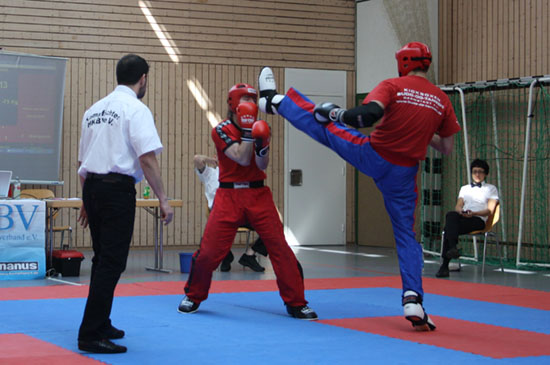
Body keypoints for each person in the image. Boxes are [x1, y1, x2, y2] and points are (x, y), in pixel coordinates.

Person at [257, 42, 461, 331]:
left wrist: (335, 113)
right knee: (406, 235)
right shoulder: (442, 100)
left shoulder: (393, 85)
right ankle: (413, 298)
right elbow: (447, 147)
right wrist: (421, 128)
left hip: (374, 155)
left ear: (403, 62)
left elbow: (367, 115)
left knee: (329, 128)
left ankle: (274, 101)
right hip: (404, 173)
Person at [178, 83, 317, 320]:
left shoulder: (261, 128)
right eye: (244, 99)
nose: (250, 104)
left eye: (252, 100)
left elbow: (262, 165)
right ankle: (193, 295)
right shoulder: (220, 129)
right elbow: (241, 159)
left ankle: (296, 303)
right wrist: (248, 132)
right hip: (228, 195)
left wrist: (260, 141)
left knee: (280, 249)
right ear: (233, 104)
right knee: (209, 252)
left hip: (257, 194)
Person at [76, 54, 174, 353]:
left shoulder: (93, 110)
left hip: (93, 187)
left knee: (102, 259)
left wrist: (85, 200)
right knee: (112, 263)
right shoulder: (136, 109)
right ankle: (90, 333)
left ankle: (101, 322)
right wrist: (163, 199)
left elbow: (83, 160)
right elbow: (146, 158)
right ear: (143, 78)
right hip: (116, 192)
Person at [193, 154, 267, 272]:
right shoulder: (209, 173)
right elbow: (197, 159)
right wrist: (211, 160)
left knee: (270, 226)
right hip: (220, 214)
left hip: (241, 213)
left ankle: (250, 255)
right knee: (208, 238)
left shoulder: (238, 174)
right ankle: (226, 256)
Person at [436, 159, 499, 278]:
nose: (477, 174)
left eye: (480, 171)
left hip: (478, 220)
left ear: (485, 174)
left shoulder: (491, 189)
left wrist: (474, 213)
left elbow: (489, 210)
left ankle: (445, 265)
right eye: (474, 171)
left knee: (448, 228)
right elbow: (458, 205)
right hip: (464, 217)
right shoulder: (464, 188)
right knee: (451, 214)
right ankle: (453, 248)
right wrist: (461, 211)